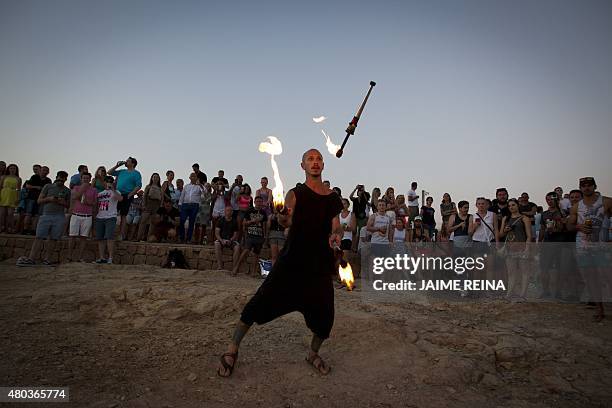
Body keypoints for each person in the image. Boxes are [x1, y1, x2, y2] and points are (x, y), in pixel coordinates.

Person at [217, 148, 343, 378]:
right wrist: (284, 217)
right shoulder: (295, 194)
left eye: (319, 159)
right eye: (310, 159)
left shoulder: (333, 197)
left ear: (323, 165)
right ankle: (232, 349)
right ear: (302, 165)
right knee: (258, 304)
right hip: (291, 263)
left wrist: (336, 233)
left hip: (319, 266)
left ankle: (312, 353)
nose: (315, 162)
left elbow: (336, 224)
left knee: (325, 320)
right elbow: (287, 218)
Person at [567, 177, 612, 322]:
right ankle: (600, 309)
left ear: (594, 186)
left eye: (589, 185)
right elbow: (569, 226)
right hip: (584, 246)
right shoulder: (576, 206)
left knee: (608, 276)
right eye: (583, 186)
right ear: (580, 188)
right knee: (591, 278)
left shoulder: (606, 201)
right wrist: (579, 226)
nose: (586, 188)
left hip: (602, 246)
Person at [17, 171, 70, 266]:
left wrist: (62, 202)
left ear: (66, 179)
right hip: (46, 215)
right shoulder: (48, 187)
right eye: (60, 177)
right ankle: (31, 258)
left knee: (53, 239)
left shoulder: (67, 190)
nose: (61, 179)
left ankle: (47, 259)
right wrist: (49, 199)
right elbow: (39, 200)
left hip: (59, 216)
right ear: (56, 177)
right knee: (39, 237)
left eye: (63, 178)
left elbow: (68, 205)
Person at [499, 198, 531, 300]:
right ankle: (509, 294)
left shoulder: (524, 218)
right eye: (509, 206)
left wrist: (527, 248)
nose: (511, 207)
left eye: (513, 205)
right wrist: (505, 230)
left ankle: (523, 295)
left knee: (524, 271)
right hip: (510, 248)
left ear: (518, 205)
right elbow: (501, 234)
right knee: (511, 272)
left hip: (521, 247)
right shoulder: (506, 219)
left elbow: (529, 236)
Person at [233, 195, 268, 275]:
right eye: (257, 202)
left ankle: (253, 271)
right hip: (250, 234)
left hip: (259, 236)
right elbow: (244, 223)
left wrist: (265, 236)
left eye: (260, 202)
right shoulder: (249, 211)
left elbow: (265, 226)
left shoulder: (263, 213)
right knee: (246, 251)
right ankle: (236, 268)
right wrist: (252, 221)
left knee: (256, 254)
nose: (259, 203)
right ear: (255, 202)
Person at [108, 157, 142, 240]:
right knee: (113, 213)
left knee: (123, 215)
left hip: (127, 195)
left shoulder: (136, 173)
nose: (126, 162)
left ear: (133, 163)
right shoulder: (122, 171)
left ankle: (121, 235)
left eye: (128, 161)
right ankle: (111, 233)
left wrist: (130, 194)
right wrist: (117, 165)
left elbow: (138, 185)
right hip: (117, 194)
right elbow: (109, 172)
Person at [67, 172, 97, 262]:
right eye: (84, 178)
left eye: (87, 178)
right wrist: (83, 188)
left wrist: (88, 202)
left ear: (90, 179)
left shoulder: (94, 190)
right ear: (81, 179)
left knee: (84, 237)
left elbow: (95, 203)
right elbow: (75, 197)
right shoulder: (76, 188)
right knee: (72, 236)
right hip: (76, 214)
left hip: (87, 216)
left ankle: (80, 257)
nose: (85, 180)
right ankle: (69, 256)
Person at [94, 175, 122, 264]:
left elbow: (120, 199)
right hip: (100, 217)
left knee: (110, 237)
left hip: (110, 217)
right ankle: (102, 257)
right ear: (104, 182)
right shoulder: (100, 193)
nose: (108, 183)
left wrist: (113, 189)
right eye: (107, 181)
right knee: (100, 238)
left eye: (110, 181)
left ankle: (110, 258)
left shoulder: (116, 192)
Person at [137, 173, 162, 241]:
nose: (155, 178)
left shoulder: (160, 188)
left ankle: (149, 238)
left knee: (153, 222)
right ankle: (139, 237)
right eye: (154, 177)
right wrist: (144, 205)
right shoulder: (148, 186)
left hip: (156, 205)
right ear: (152, 178)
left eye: (157, 177)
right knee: (143, 221)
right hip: (148, 204)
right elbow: (144, 196)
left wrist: (160, 206)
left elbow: (161, 198)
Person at [178, 172, 203, 243]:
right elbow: (182, 195)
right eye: (191, 176)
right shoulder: (186, 186)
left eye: (194, 176)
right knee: (182, 220)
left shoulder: (199, 187)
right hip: (185, 205)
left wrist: (200, 184)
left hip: (194, 205)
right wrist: (180, 204)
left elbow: (205, 192)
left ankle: (188, 239)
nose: (193, 178)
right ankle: (182, 237)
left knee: (192, 222)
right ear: (189, 178)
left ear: (196, 178)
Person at [214, 206, 241, 270]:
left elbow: (235, 234)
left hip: (231, 240)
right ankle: (220, 266)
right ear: (225, 212)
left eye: (231, 211)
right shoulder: (220, 220)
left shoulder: (234, 221)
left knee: (237, 247)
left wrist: (231, 240)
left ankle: (234, 267)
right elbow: (217, 233)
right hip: (222, 239)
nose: (229, 212)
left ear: (232, 212)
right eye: (227, 210)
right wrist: (221, 240)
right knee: (216, 244)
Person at [0, 164, 22, 233]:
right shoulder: (3, 177)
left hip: (13, 194)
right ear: (8, 169)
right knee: (2, 213)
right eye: (11, 168)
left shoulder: (18, 179)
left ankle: (9, 228)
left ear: (16, 170)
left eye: (14, 169)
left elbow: (19, 189)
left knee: (10, 213)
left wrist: (18, 198)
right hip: (4, 193)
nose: (12, 170)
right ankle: (1, 227)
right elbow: (0, 187)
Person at [349, 184, 370, 251]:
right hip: (355, 216)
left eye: (360, 191)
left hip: (362, 217)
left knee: (360, 232)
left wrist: (363, 191)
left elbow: (367, 200)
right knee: (354, 231)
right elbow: (350, 197)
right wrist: (355, 189)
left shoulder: (365, 197)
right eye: (359, 191)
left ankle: (358, 247)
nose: (359, 192)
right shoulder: (355, 199)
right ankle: (353, 247)